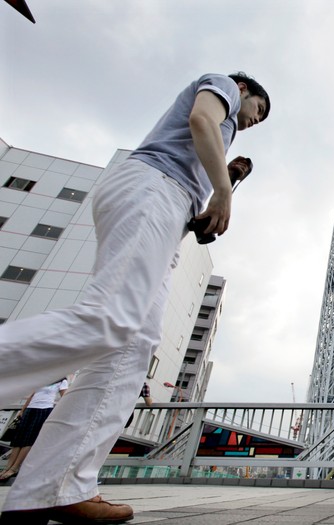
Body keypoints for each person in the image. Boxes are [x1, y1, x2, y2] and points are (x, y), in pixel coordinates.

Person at [0, 72, 270, 524]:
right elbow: (202, 120)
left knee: (130, 347)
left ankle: (54, 486)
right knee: (111, 318)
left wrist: (223, 182)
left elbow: (201, 151)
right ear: (244, 90)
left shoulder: (223, 137)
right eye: (257, 112)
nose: (254, 121)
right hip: (153, 188)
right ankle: (54, 485)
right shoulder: (222, 85)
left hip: (170, 207)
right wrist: (223, 189)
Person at [0, 379, 68, 482]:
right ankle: (7, 467)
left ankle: (15, 468)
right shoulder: (45, 378)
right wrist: (22, 411)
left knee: (29, 439)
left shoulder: (62, 381)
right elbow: (32, 395)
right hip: (30, 409)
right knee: (19, 439)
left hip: (44, 409)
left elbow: (65, 397)